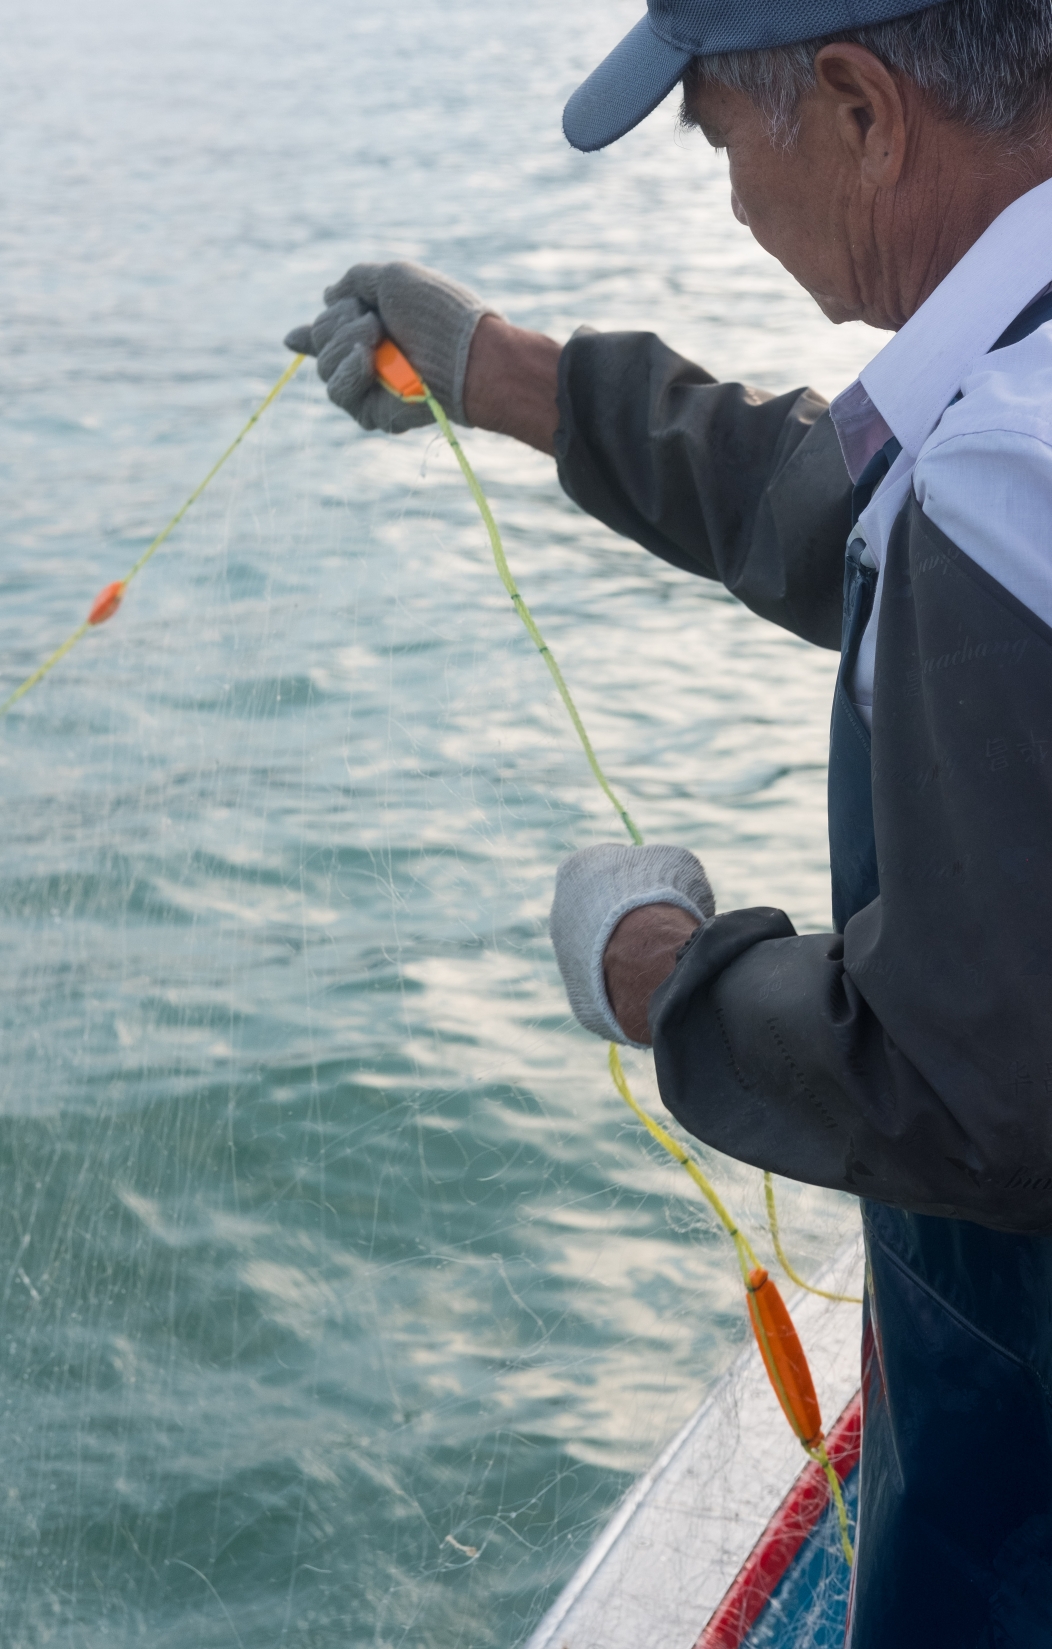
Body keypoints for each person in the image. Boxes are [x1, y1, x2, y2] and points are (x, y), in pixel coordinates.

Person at [287, 1, 1052, 1640]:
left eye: (717, 135)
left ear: (859, 107)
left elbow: (972, 1090)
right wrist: (499, 369)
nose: (725, 201)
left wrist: (657, 969)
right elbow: (840, 494)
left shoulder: (1007, 467)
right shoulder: (1000, 380)